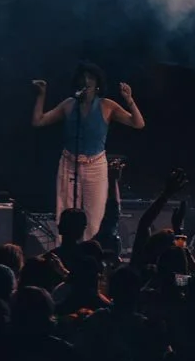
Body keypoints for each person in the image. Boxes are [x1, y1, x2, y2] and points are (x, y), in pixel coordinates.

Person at [32, 62, 145, 243]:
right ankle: (65, 251)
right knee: (65, 212)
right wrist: (41, 95)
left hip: (95, 164)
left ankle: (89, 252)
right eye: (83, 77)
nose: (86, 81)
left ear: (98, 82)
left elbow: (138, 123)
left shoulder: (107, 105)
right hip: (69, 162)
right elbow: (38, 121)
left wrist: (129, 100)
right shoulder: (70, 104)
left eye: (90, 77)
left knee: (94, 216)